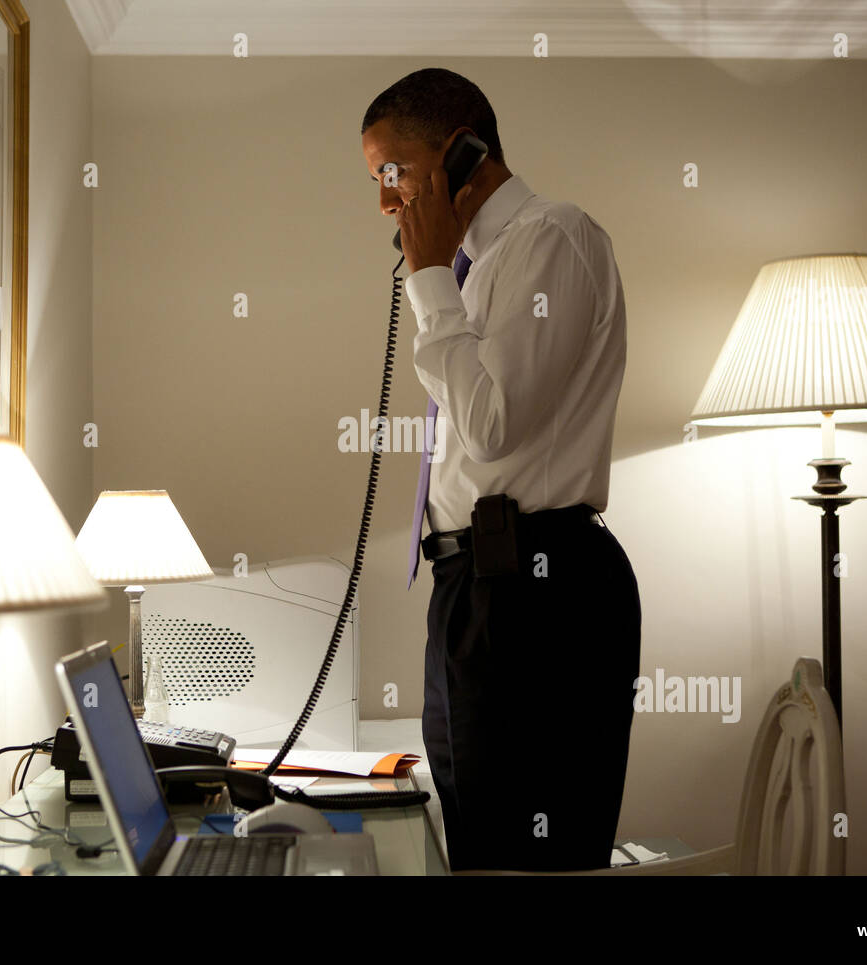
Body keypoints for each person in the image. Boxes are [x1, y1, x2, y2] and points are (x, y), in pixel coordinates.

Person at [360, 68, 642, 872]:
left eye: (393, 173)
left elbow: (489, 423)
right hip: (472, 589)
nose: (384, 202)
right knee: (475, 844)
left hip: (536, 591)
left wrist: (426, 281)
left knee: (524, 857)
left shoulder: (553, 238)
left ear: (461, 153)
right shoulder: (473, 270)